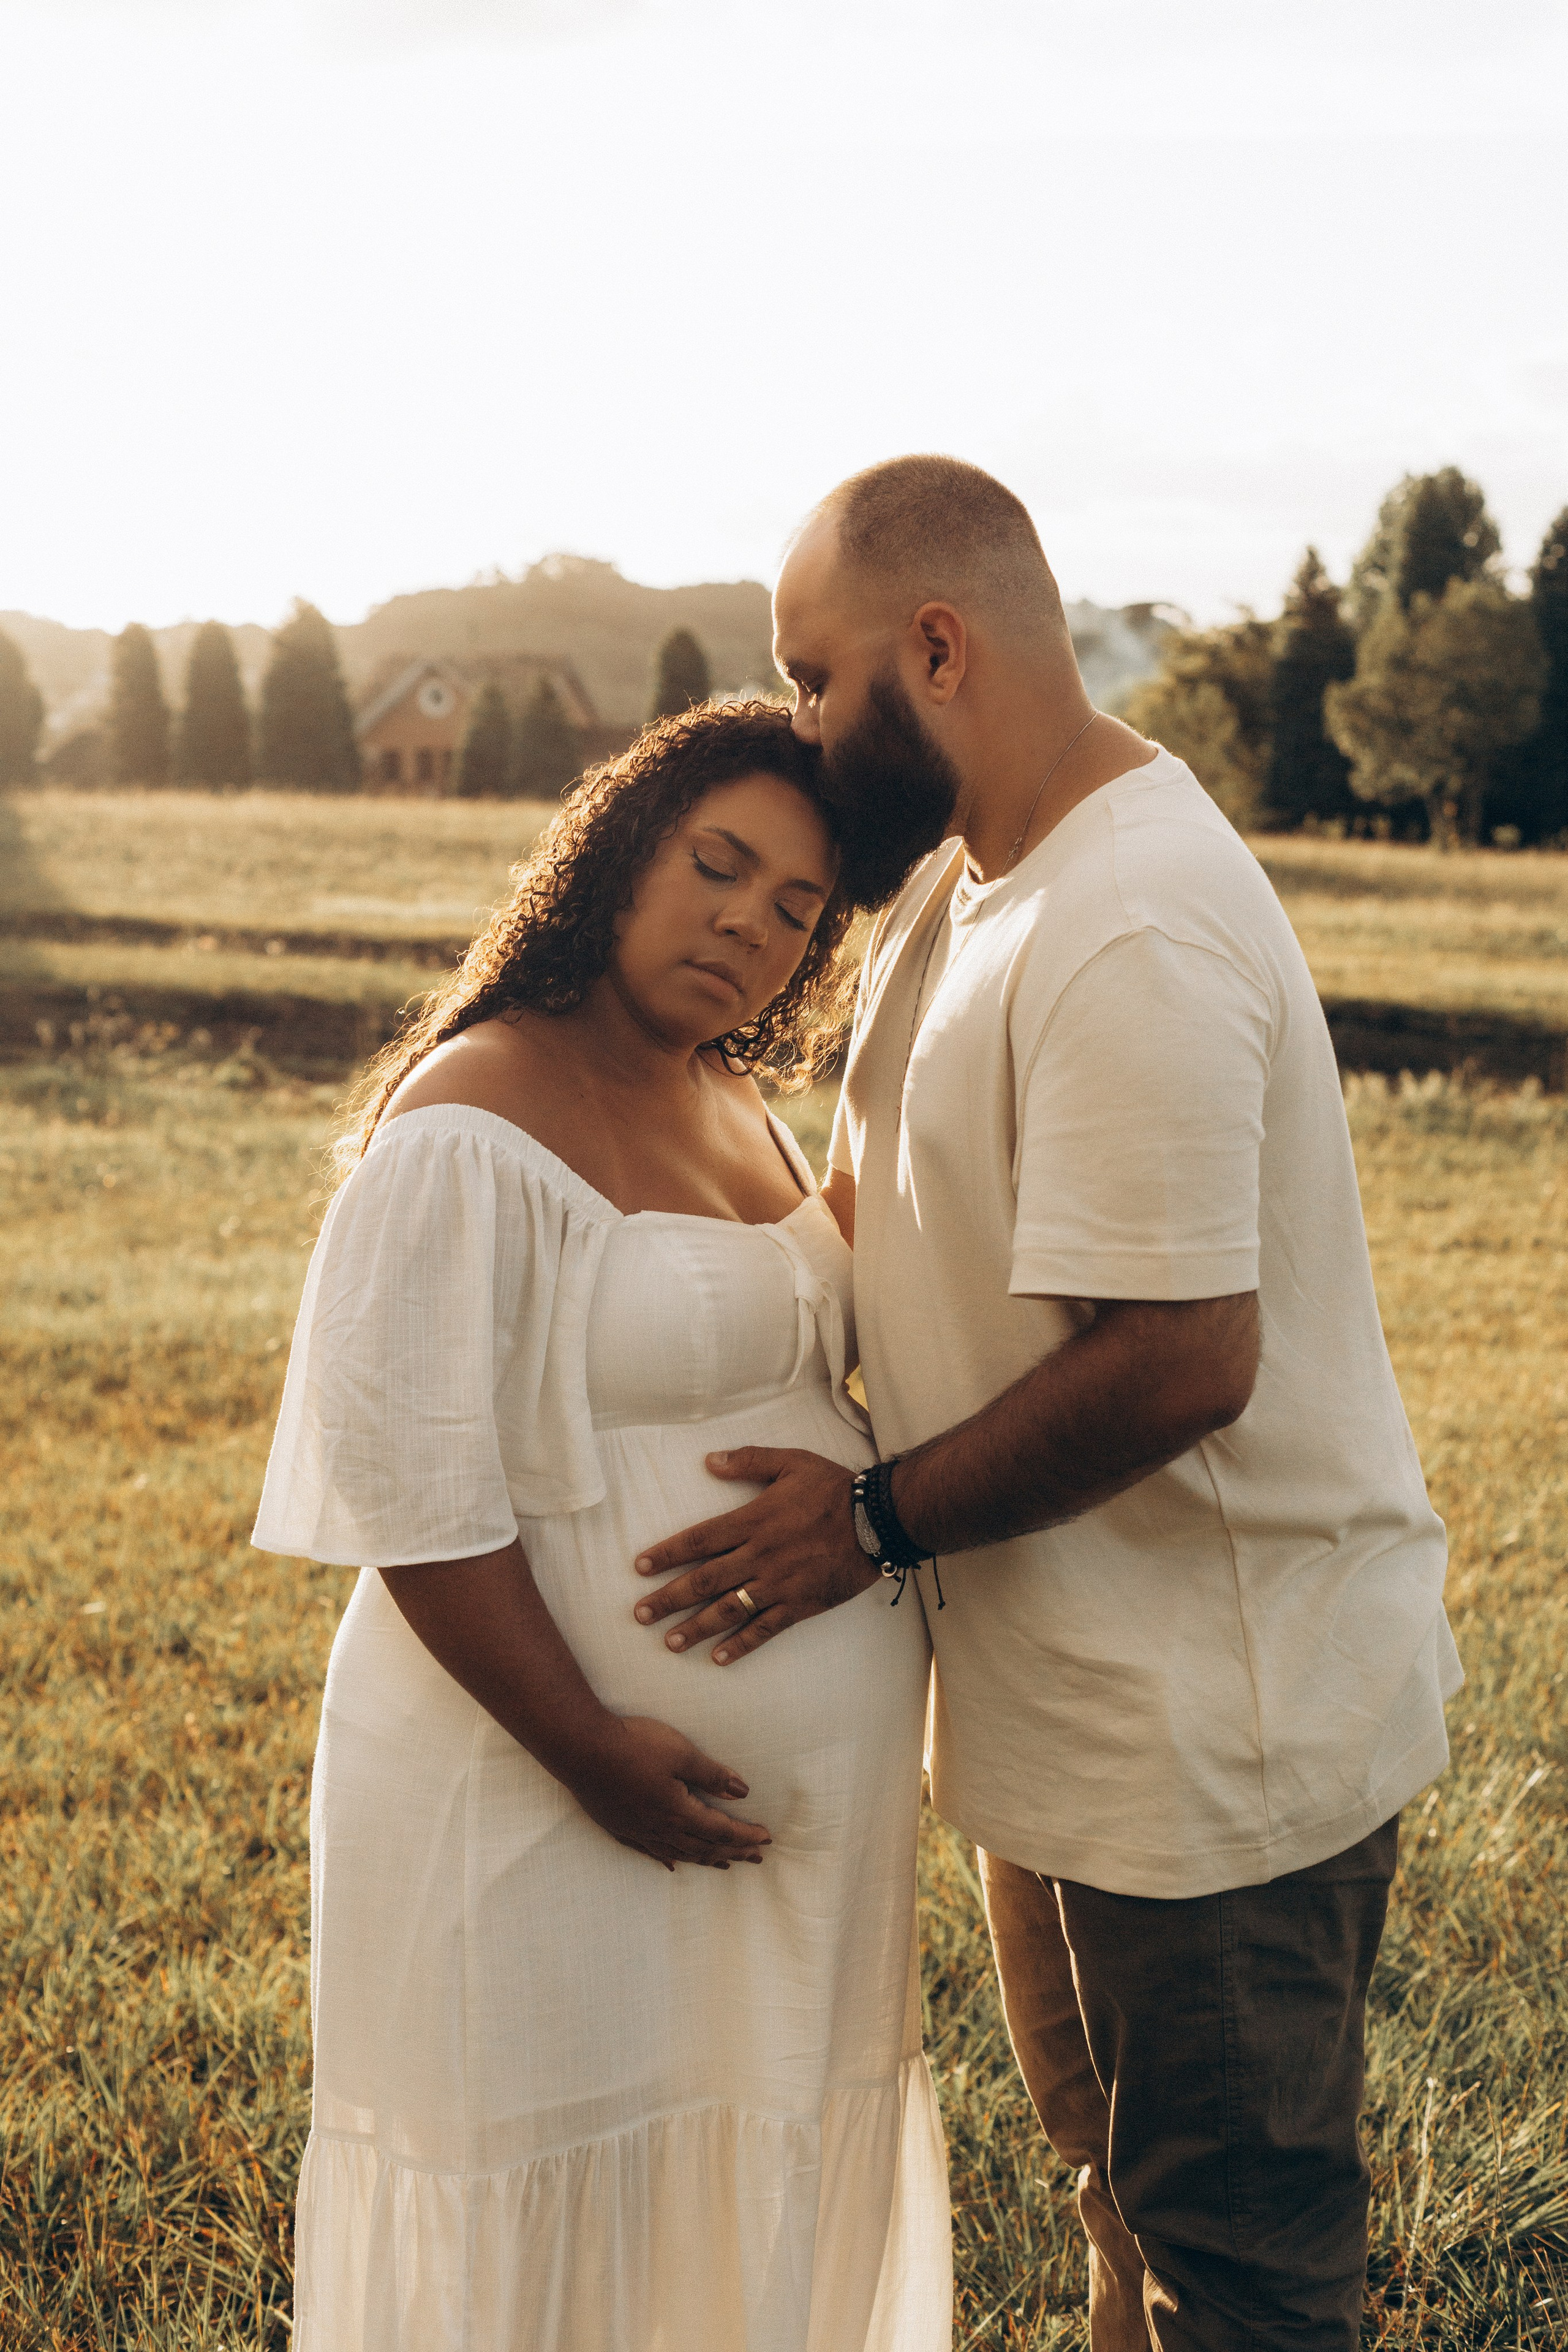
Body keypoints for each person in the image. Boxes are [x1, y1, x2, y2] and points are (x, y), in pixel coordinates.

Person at [634, 458, 1462, 2351]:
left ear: (937, 648)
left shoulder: (1132, 922)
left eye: (813, 675)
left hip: (1215, 1757)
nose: (796, 724)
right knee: (1124, 2225)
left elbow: (1182, 1357)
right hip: (1075, 1721)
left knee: (1233, 2283)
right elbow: (877, 1211)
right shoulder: (966, 888)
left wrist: (860, 1522)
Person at [252, 702, 951, 2352]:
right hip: (538, 1798)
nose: (749, 922)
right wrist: (584, 1744)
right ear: (616, 857)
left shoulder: (742, 1108)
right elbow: (412, 1495)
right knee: (550, 2217)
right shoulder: (472, 1110)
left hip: (793, 1851)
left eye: (796, 907)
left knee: (740, 2232)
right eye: (719, 867)